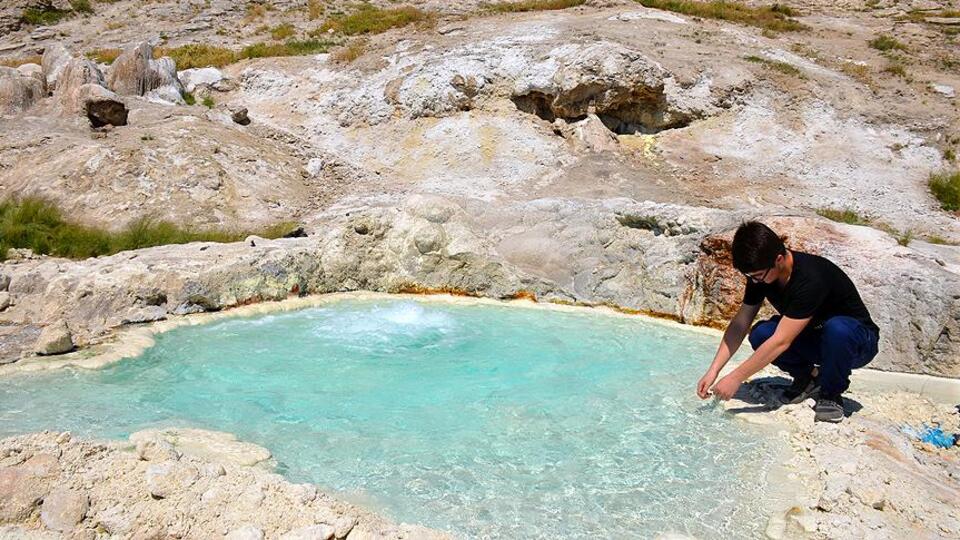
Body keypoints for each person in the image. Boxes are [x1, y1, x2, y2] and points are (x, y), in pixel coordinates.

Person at [695, 221, 880, 423]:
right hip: (817, 337)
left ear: (779, 259)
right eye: (751, 277)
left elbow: (782, 341)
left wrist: (735, 377)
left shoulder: (811, 278)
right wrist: (714, 370)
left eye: (757, 276)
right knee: (761, 333)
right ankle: (809, 378)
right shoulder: (761, 273)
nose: (754, 281)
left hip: (856, 342)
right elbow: (741, 323)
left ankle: (830, 393)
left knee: (837, 329)